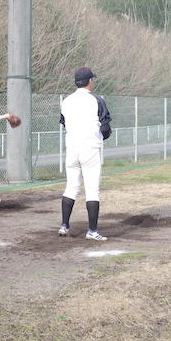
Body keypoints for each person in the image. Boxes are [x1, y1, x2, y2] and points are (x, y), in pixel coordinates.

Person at [59, 67, 112, 241]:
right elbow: (106, 128)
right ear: (89, 81)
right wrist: (98, 136)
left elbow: (64, 123)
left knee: (71, 186)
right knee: (92, 189)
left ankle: (64, 226)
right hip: (90, 148)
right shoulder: (96, 100)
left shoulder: (66, 101)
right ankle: (92, 231)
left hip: (72, 147)